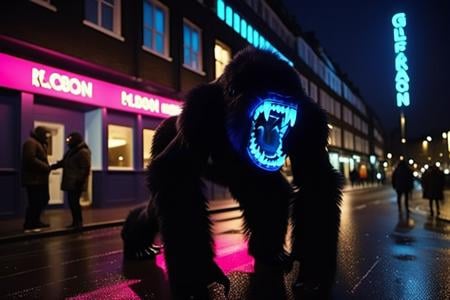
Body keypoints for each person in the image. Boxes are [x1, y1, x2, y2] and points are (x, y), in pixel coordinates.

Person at [52, 132, 91, 229]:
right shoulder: (72, 151)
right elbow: (63, 162)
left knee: (74, 203)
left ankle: (78, 222)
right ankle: (75, 222)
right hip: (71, 182)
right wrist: (52, 167)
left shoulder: (83, 151)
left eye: (70, 139)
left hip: (76, 183)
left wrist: (79, 181)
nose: (68, 142)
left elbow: (85, 168)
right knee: (72, 203)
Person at [21, 126, 52, 232]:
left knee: (42, 200)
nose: (47, 138)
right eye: (46, 136)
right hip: (33, 179)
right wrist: (46, 167)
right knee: (35, 202)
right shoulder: (31, 142)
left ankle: (36, 221)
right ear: (40, 134)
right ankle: (29, 224)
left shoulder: (39, 143)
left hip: (40, 179)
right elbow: (30, 159)